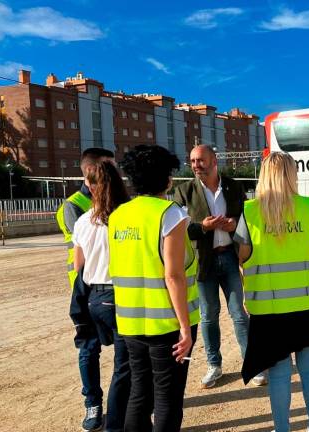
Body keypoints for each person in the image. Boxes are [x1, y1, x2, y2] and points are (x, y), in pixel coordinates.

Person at [235, 151, 309, 432]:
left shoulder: (250, 211)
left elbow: (243, 255)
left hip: (269, 310)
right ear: (292, 175)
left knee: (278, 376)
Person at [109, 145, 200, 431]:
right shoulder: (169, 213)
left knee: (139, 392)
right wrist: (185, 328)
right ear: (167, 178)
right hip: (167, 325)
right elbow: (173, 275)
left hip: (130, 322)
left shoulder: (118, 215)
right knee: (168, 397)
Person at [173, 144, 266, 388]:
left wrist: (235, 224)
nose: (195, 165)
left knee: (239, 314)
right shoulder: (183, 191)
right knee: (208, 317)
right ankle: (214, 366)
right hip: (204, 262)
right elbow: (180, 230)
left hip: (230, 258)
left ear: (214, 161)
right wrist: (203, 226)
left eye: (200, 160)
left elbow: (247, 218)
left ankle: (252, 363)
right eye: (192, 161)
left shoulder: (233, 186)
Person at [55, 147, 115, 431]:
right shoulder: (74, 205)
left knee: (126, 351)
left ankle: (121, 401)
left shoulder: (117, 202)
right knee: (89, 350)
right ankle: (93, 403)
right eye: (108, 168)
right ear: (90, 171)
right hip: (86, 288)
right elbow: (85, 250)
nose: (113, 175)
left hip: (114, 287)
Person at [72, 160, 132, 432]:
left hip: (92, 295)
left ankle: (93, 407)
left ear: (89, 186)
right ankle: (117, 422)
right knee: (126, 365)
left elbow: (78, 266)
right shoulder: (126, 217)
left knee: (88, 350)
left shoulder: (84, 221)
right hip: (121, 294)